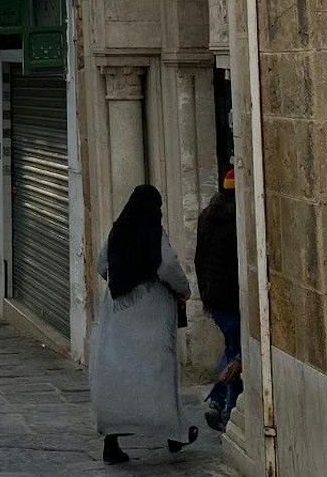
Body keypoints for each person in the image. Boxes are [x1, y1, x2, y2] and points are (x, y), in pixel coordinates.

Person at [90, 183, 198, 463]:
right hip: (152, 314)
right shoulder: (153, 232)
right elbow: (167, 265)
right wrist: (184, 289)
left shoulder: (118, 230)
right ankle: (174, 434)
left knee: (120, 375)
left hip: (119, 312)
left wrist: (121, 277)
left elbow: (102, 264)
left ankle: (111, 442)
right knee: (159, 372)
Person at [195, 167, 242, 432]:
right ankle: (227, 409)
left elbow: (199, 259)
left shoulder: (205, 218)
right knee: (238, 355)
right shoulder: (237, 220)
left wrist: (205, 296)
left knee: (232, 349)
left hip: (215, 299)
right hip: (234, 300)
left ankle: (217, 399)